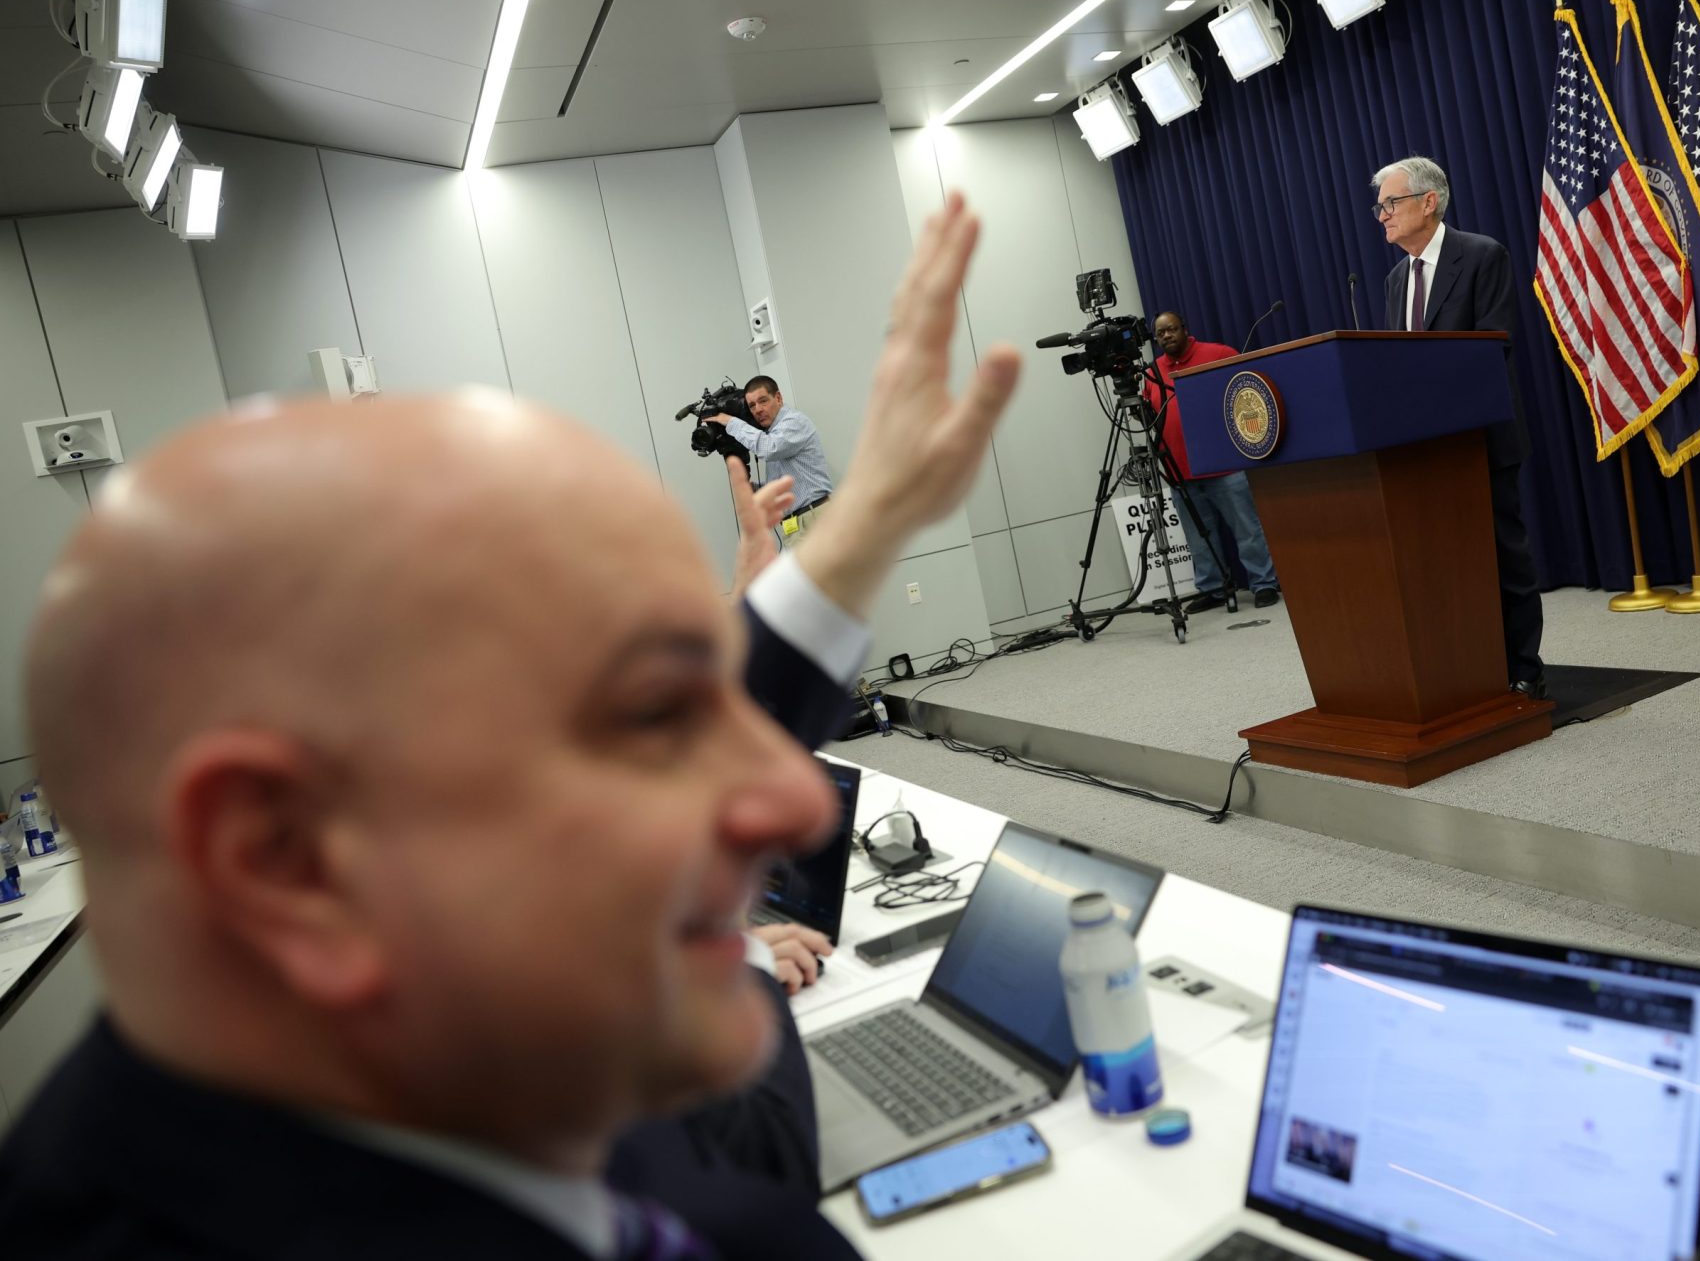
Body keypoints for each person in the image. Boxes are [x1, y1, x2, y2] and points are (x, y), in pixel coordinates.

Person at [0, 194, 1021, 1258]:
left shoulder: (464, 1066)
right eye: (649, 720)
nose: (795, 804)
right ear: (282, 858)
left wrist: (867, 521)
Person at [1375, 155, 1545, 697]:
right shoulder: (1395, 280)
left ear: (1429, 202)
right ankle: (1470, 667)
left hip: (1479, 439)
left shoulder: (1481, 255)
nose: (1382, 215)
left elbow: (1493, 346)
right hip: (1423, 449)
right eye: (1379, 207)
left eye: (1391, 203)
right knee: (1445, 566)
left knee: (1502, 556)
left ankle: (1524, 668)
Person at [1142, 311, 1281, 611]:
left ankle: (1264, 583)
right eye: (1160, 333)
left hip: (1225, 465)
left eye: (1171, 329)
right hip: (1180, 471)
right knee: (1197, 538)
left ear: (1185, 329)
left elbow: (1248, 394)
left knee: (1246, 529)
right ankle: (1213, 588)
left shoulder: (1218, 354)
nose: (1166, 336)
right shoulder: (1152, 372)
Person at [709, 376, 833, 536]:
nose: (758, 410)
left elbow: (769, 449)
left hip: (813, 518)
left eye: (763, 401)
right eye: (752, 405)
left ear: (778, 398)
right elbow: (785, 483)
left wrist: (731, 422)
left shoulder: (794, 422)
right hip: (797, 523)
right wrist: (756, 488)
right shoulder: (773, 433)